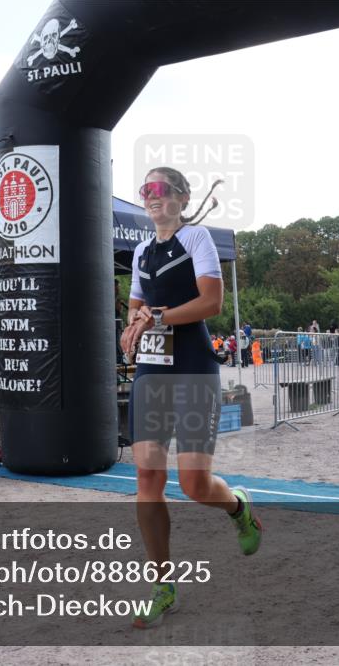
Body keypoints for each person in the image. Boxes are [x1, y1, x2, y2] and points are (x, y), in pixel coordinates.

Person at [120, 166, 261, 629]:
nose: (152, 197)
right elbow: (136, 306)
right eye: (146, 191)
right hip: (151, 373)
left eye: (161, 190)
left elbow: (210, 304)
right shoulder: (141, 250)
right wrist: (131, 325)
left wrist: (154, 317)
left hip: (194, 369)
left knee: (195, 486)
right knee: (147, 480)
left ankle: (237, 506)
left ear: (181, 197)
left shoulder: (197, 238)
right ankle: (162, 586)